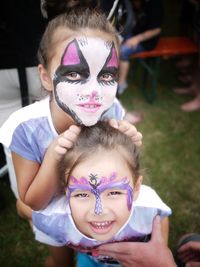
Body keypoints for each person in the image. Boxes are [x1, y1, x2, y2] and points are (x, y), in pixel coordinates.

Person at [0, 5, 142, 267]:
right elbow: (32, 203)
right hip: (51, 213)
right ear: (45, 77)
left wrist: (127, 146)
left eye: (107, 75)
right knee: (62, 262)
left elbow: (121, 171)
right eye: (75, 73)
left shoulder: (111, 109)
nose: (93, 91)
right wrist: (55, 155)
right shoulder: (25, 129)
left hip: (97, 211)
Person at [32, 121, 171, 267]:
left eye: (114, 192)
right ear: (66, 190)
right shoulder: (52, 220)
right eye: (82, 195)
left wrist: (161, 251)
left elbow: (161, 218)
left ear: (136, 188)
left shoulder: (149, 209)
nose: (99, 211)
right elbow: (28, 210)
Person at [117, 0, 163, 95]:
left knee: (122, 51)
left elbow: (157, 30)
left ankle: (122, 83)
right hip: (134, 34)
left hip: (146, 42)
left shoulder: (156, 5)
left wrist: (137, 39)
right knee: (112, 42)